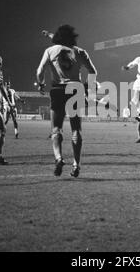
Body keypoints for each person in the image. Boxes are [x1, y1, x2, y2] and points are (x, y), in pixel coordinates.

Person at [37, 25, 97, 178]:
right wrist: (88, 87)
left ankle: (59, 158)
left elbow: (39, 72)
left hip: (57, 90)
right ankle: (76, 164)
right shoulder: (80, 51)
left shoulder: (50, 51)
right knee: (76, 129)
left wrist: (41, 84)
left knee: (56, 128)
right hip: (75, 89)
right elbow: (93, 72)